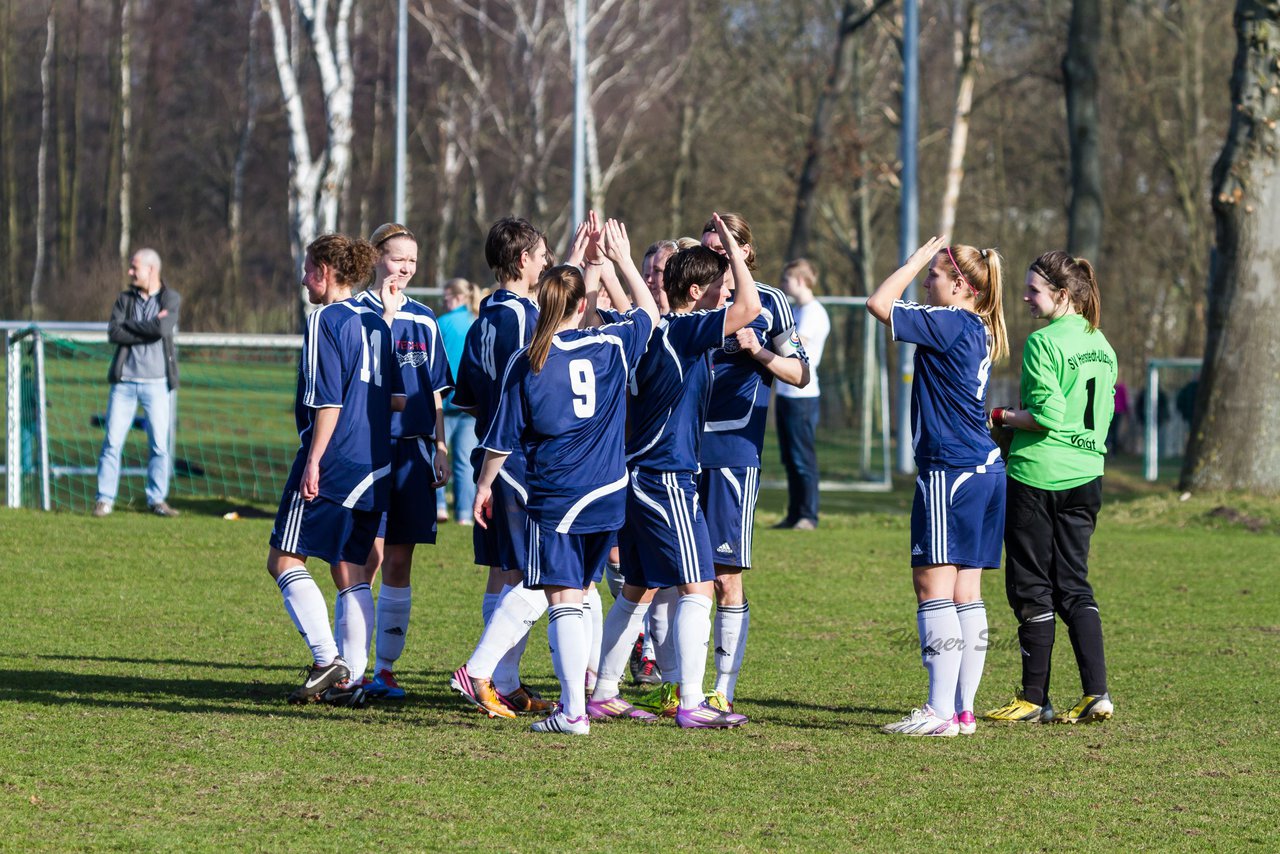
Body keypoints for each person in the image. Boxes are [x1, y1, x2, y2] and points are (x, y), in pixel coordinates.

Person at [473, 218, 659, 734]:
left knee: (562, 600)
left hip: (558, 495)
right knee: (577, 594)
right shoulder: (611, 346)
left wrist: (485, 486)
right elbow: (649, 312)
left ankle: (572, 711)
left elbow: (499, 440)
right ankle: (574, 701)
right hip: (610, 495)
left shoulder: (527, 360)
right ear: (583, 305)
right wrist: (619, 260)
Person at [590, 214, 759, 729]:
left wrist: (618, 263)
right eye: (716, 287)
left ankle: (602, 691)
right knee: (699, 587)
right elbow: (750, 307)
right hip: (666, 477)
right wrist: (732, 246)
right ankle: (690, 702)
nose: (724, 295)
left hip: (639, 474)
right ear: (693, 290)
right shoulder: (685, 329)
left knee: (637, 588)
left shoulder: (651, 329)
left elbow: (637, 304)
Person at [639, 213, 807, 716]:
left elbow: (799, 372)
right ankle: (674, 682)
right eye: (709, 249)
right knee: (674, 575)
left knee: (725, 576)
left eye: (725, 249)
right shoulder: (695, 303)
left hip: (733, 450)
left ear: (745, 253)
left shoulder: (768, 304)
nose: (716, 257)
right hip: (678, 451)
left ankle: (722, 687)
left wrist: (761, 354)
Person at [867, 237, 1008, 737]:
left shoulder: (951, 321)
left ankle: (939, 712)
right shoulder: (978, 325)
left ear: (961, 286)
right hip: (985, 470)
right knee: (966, 590)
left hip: (951, 470)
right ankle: (963, 711)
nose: (928, 283)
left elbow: (878, 304)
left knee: (932, 586)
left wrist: (910, 262)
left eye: (935, 276)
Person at [265, 234, 404, 707]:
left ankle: (328, 660)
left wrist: (314, 461)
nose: (304, 279)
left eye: (308, 269)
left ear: (325, 271)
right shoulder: (379, 324)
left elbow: (329, 398)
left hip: (337, 458)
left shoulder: (324, 318)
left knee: (284, 559)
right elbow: (391, 397)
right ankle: (354, 680)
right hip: (376, 461)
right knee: (352, 570)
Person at [984, 250, 1117, 726]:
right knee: (1075, 586)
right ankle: (1095, 694)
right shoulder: (1101, 343)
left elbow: (1044, 417)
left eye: (1033, 290)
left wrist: (998, 416)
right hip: (1087, 475)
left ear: (1062, 295)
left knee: (1030, 588)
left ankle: (1034, 698)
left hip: (1039, 476)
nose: (1025, 297)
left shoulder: (1044, 343)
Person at [448, 217, 555, 719]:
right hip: (517, 460)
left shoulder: (481, 317)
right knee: (531, 572)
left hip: (490, 454)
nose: (546, 263)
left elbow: (467, 397)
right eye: (541, 255)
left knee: (503, 572)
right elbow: (530, 390)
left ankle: (505, 680)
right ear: (520, 262)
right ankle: (484, 673)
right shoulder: (520, 318)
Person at [350, 223, 452, 700]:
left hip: (413, 449)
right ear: (376, 257)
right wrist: (386, 320)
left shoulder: (427, 320)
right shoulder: (355, 314)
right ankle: (348, 665)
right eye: (398, 259)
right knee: (363, 557)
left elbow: (432, 391)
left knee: (399, 558)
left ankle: (385, 669)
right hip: (369, 448)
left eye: (413, 260)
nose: (406, 268)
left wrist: (440, 445)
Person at [94, 248, 181, 518]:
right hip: (124, 384)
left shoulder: (171, 298)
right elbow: (114, 332)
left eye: (135, 268)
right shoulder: (124, 299)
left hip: (157, 385)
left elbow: (161, 330)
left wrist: (132, 326)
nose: (130, 272)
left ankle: (156, 499)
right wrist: (147, 327)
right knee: (112, 442)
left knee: (159, 445)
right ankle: (104, 499)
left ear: (151, 270)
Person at [773, 259, 831, 530]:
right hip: (786, 394)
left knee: (802, 458)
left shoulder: (813, 312)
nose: (783, 285)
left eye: (786, 280)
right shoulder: (796, 310)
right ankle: (794, 513)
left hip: (803, 396)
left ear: (799, 280)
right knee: (789, 457)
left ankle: (809, 515)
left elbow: (797, 343)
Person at [437, 278, 484, 524]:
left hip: (444, 401)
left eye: (446, 298)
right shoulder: (477, 321)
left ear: (456, 297)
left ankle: (439, 506)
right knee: (465, 461)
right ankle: (465, 514)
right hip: (470, 402)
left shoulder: (442, 323)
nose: (444, 303)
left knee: (438, 453)